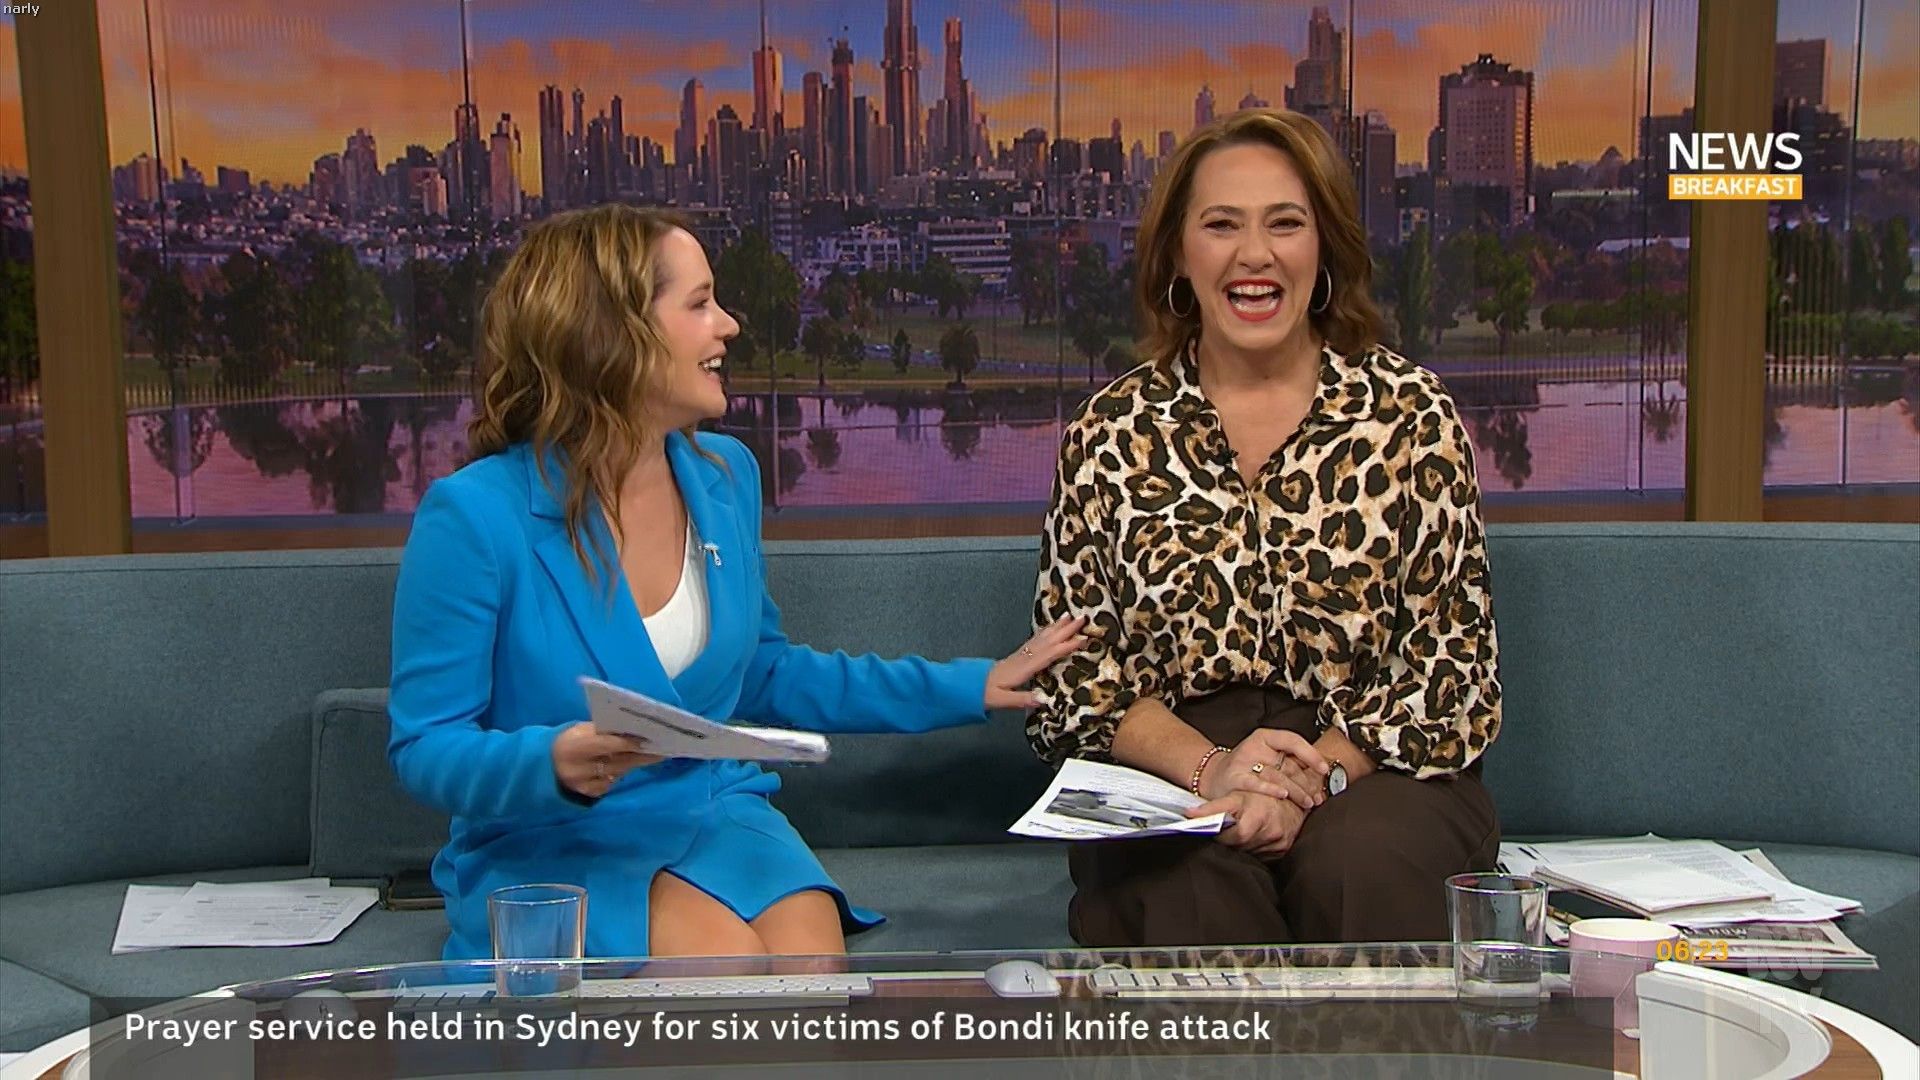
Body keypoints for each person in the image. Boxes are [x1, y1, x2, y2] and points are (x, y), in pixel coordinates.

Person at [389, 205, 1087, 961]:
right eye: (699, 304)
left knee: (811, 965)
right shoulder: (475, 516)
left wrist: (971, 685)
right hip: (552, 834)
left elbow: (765, 673)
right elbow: (426, 746)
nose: (728, 326)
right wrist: (550, 762)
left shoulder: (726, 477)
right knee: (725, 966)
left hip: (709, 808)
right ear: (611, 333)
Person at [1027, 108, 1502, 947]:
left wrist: (1309, 779)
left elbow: (1450, 664)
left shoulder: (1410, 417)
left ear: (1326, 248)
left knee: (1359, 864)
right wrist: (1213, 772)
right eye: (1222, 225)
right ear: (1179, 254)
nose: (1255, 255)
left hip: (1374, 764)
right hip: (1176, 762)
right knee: (1186, 883)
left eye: (1285, 223)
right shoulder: (1109, 434)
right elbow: (1074, 681)